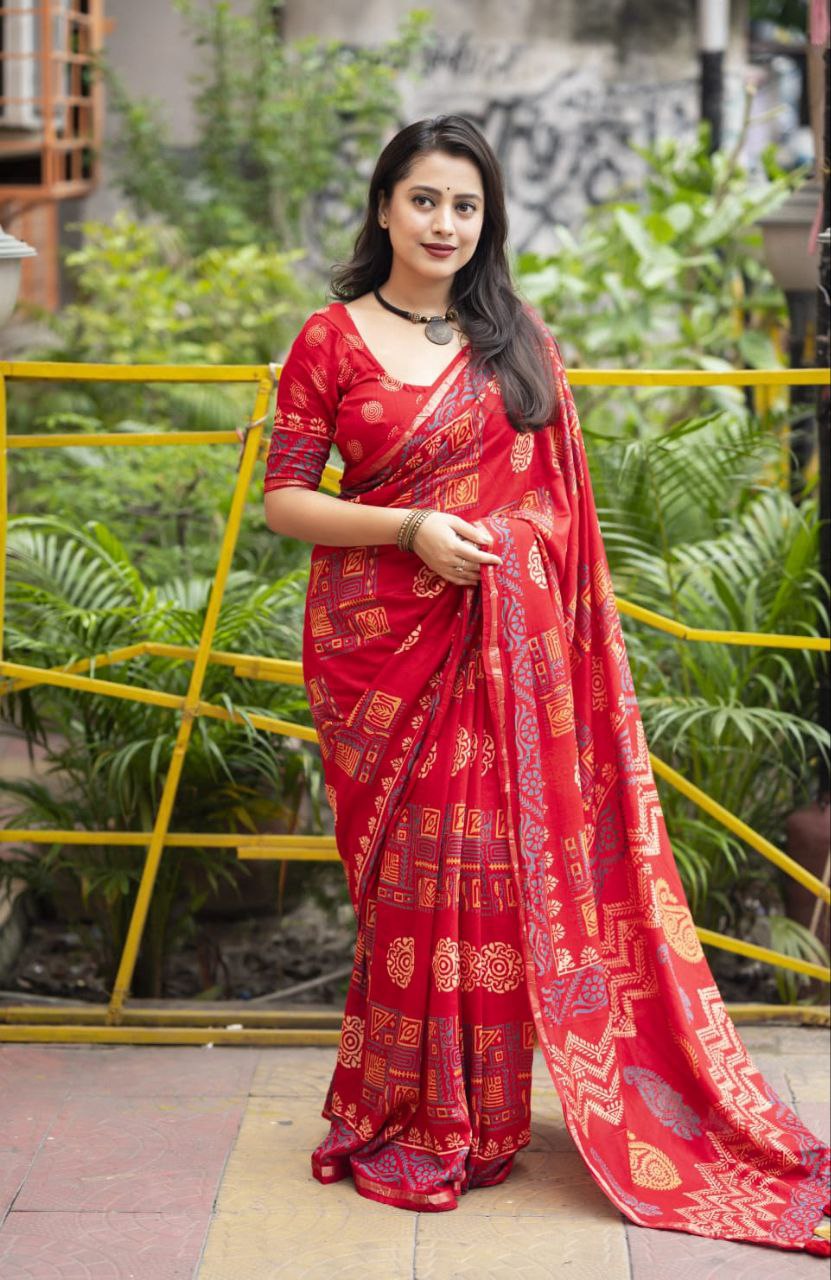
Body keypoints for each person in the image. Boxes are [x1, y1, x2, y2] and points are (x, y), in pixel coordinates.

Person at [261, 115, 831, 1253]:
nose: (443, 223)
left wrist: (502, 551)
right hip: (381, 653)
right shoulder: (329, 338)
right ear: (385, 209)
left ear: (488, 221)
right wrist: (415, 524)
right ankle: (402, 1107)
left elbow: (555, 510)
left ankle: (478, 1116)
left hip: (499, 652)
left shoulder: (517, 339)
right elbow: (287, 499)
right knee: (411, 889)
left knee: (479, 875)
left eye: (465, 206)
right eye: (424, 200)